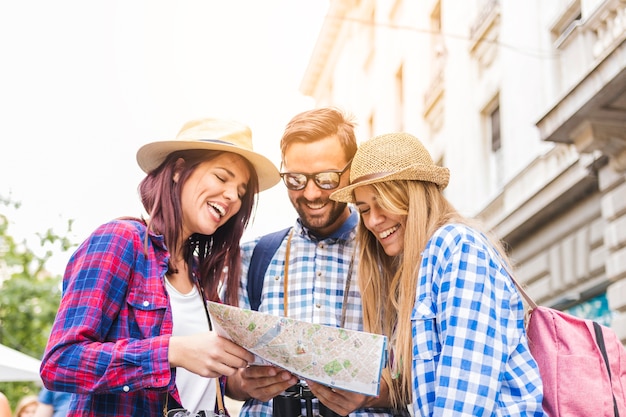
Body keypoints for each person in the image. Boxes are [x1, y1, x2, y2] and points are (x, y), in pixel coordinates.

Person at [40, 118, 280, 416]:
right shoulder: (121, 241)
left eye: (241, 191)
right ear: (179, 171)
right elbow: (61, 363)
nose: (233, 196)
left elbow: (198, 382)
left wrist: (242, 385)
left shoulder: (200, 277)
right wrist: (171, 351)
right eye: (222, 177)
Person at [329, 132, 545, 416]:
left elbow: (465, 400)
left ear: (413, 195)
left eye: (383, 202)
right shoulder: (418, 268)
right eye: (365, 209)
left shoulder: (456, 246)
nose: (372, 220)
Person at [226, 107, 398, 417]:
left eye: (327, 179)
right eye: (295, 179)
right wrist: (242, 383)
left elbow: (426, 369)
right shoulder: (252, 257)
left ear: (351, 173)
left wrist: (374, 394)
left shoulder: (389, 250)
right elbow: (226, 376)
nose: (312, 193)